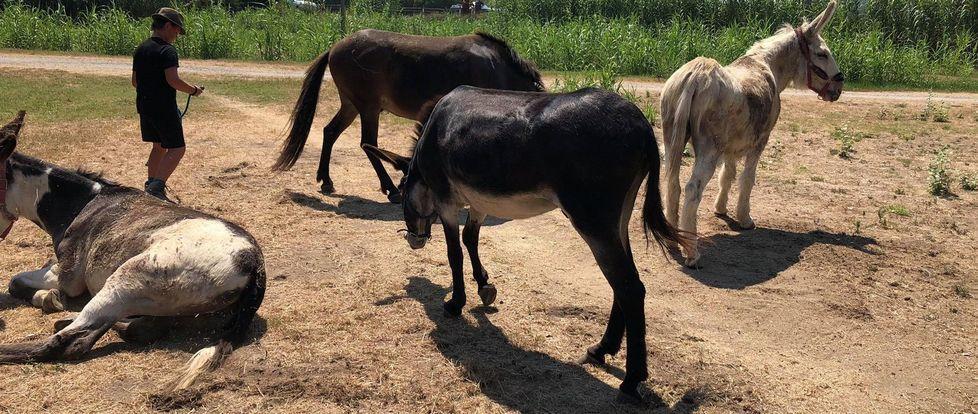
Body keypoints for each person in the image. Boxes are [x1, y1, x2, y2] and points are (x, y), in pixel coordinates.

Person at [132, 7, 203, 201]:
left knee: (158, 146)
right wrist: (193, 90)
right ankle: (156, 188)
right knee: (177, 148)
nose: (177, 34)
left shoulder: (141, 48)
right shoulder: (167, 51)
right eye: (177, 29)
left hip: (144, 107)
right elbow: (173, 80)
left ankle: (150, 184)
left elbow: (135, 82)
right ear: (167, 25)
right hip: (163, 109)